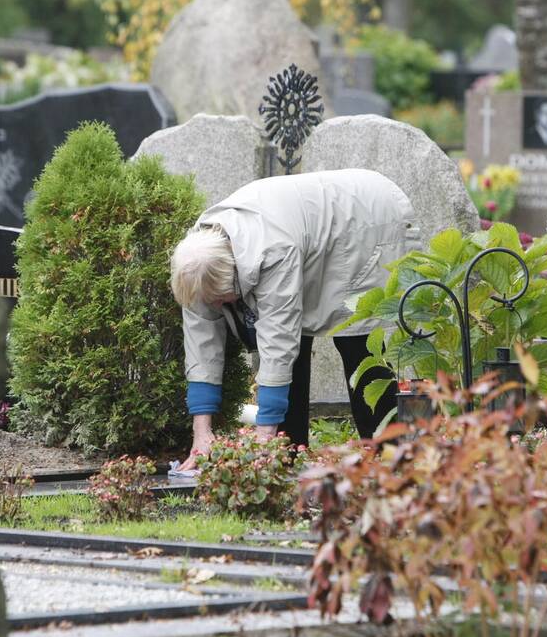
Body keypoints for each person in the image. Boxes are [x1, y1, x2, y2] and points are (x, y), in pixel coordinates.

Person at [170, 168, 420, 471]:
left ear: (235, 271)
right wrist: (202, 434)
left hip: (365, 224)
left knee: (359, 346)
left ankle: (389, 459)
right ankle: (288, 460)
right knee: (296, 350)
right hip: (311, 227)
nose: (220, 307)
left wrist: (263, 440)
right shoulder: (195, 263)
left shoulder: (273, 250)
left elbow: (278, 342)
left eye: (224, 298)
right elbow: (201, 343)